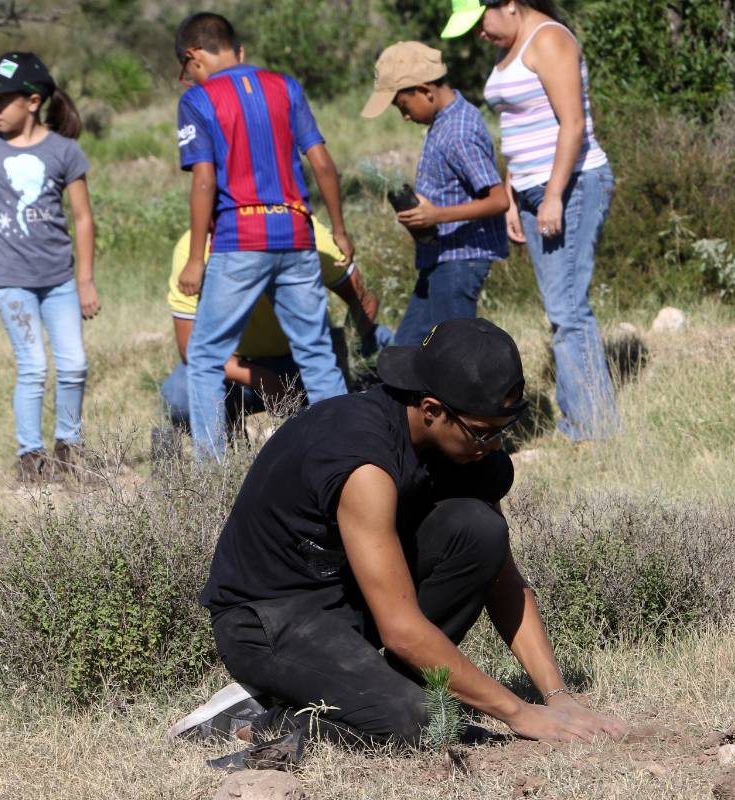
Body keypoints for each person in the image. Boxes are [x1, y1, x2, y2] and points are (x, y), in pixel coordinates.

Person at [168, 318, 626, 753]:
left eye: (503, 431)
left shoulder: (457, 444)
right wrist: (518, 713)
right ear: (431, 410)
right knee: (419, 721)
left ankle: (361, 690)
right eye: (484, 433)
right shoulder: (364, 462)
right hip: (268, 619)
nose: (494, 447)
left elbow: (504, 579)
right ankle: (255, 714)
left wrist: (555, 695)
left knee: (481, 530)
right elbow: (401, 630)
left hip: (348, 595)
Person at [175, 12, 353, 461]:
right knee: (316, 353)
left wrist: (197, 258)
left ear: (195, 55)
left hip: (241, 238)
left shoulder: (200, 99)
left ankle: (210, 478)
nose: (188, 78)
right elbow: (324, 164)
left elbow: (203, 181)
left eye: (186, 68)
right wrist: (341, 229)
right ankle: (348, 458)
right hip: (296, 233)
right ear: (237, 49)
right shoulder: (286, 86)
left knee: (205, 358)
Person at [443, 0, 619, 440]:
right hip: (532, 190)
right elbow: (519, 127)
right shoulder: (516, 45)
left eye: (480, 23)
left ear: (507, 4)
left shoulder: (550, 40)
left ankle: (590, 427)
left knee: (569, 311)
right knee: (562, 307)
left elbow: (573, 124)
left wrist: (555, 195)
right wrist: (511, 194)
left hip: (571, 184)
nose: (480, 35)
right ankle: (585, 419)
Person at [0, 52, 99, 482]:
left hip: (59, 281)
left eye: (3, 100)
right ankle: (30, 460)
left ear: (32, 101)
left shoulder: (64, 152)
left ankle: (69, 449)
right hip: (10, 281)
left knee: (73, 365)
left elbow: (84, 218)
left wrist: (85, 279)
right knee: (33, 367)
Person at [159, 216, 392, 442]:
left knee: (387, 347)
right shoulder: (195, 251)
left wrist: (344, 357)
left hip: (309, 360)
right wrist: (262, 378)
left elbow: (364, 299)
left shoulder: (307, 232)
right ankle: (231, 437)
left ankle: (364, 428)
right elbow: (190, 348)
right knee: (180, 396)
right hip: (240, 370)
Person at [360, 42, 508, 347]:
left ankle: (479, 395)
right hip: (440, 259)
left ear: (426, 91)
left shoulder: (458, 132)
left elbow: (498, 199)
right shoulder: (444, 123)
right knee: (406, 352)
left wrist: (436, 215)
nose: (404, 116)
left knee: (453, 353)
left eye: (403, 106)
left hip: (460, 262)